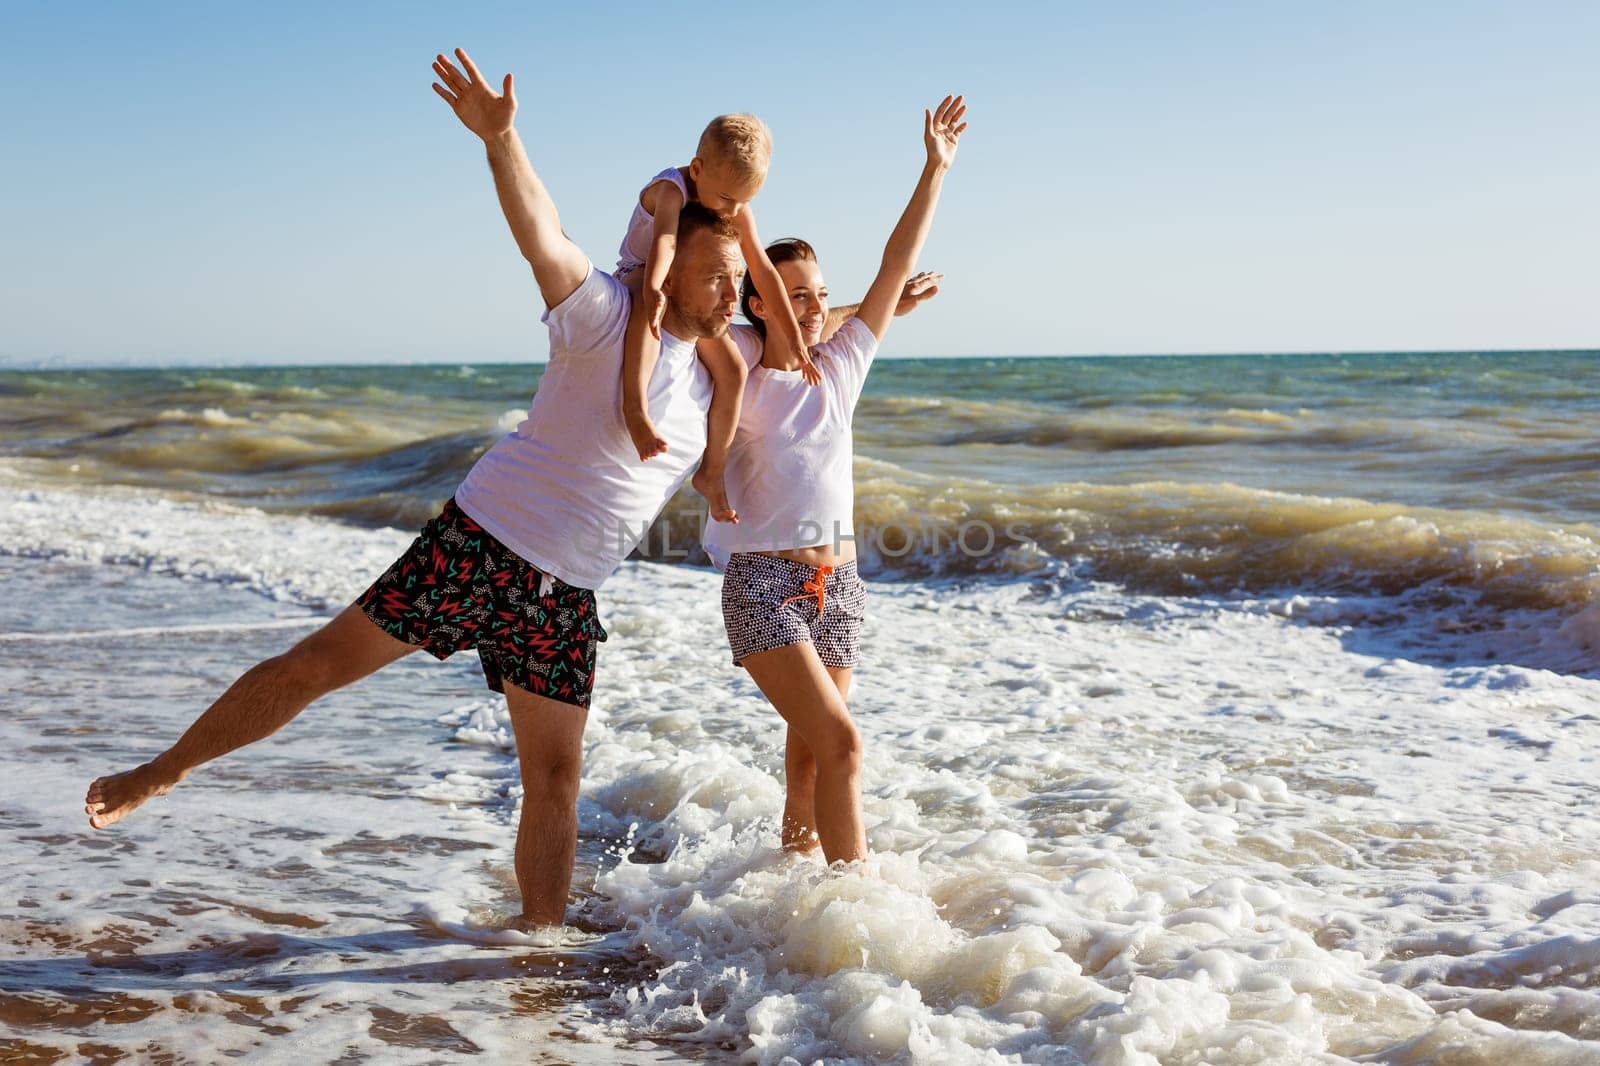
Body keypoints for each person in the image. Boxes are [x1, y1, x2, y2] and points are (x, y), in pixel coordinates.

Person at [84, 49, 747, 929]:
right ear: (671, 272)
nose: (730, 290)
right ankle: (163, 767)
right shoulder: (604, 317)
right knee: (317, 666)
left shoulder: (718, 374)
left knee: (554, 779)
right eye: (716, 274)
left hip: (566, 594)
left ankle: (536, 950)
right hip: (483, 545)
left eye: (737, 278)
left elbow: (813, 319)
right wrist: (502, 143)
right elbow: (543, 234)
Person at [700, 95, 968, 865]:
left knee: (812, 758)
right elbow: (758, 323)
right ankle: (856, 909)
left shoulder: (843, 365)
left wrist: (934, 169)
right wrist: (744, 221)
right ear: (756, 303)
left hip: (840, 587)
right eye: (795, 296)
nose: (814, 309)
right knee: (845, 745)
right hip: (760, 587)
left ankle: (794, 893)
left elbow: (891, 266)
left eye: (821, 293)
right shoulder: (738, 368)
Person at [616, 115, 818, 525]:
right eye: (727, 199)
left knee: (732, 371)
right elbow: (665, 242)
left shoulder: (735, 205)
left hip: (691, 285)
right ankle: (635, 410)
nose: (734, 211)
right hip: (643, 271)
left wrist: (795, 339)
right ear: (697, 170)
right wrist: (655, 287)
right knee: (645, 305)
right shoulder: (672, 189)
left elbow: (762, 270)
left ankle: (711, 473)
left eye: (744, 201)